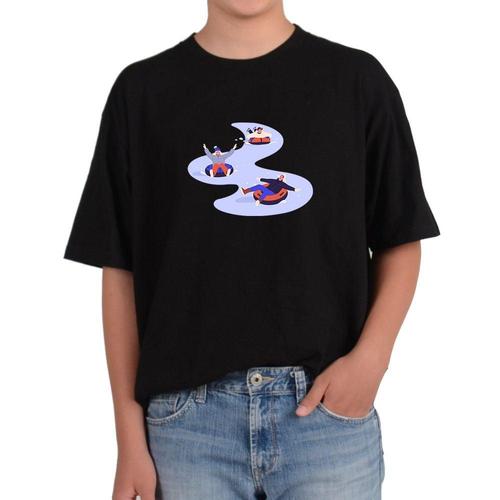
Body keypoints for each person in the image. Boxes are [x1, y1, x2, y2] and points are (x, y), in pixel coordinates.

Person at [63, 1, 440, 499]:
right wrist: (128, 435)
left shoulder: (356, 82)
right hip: (186, 429)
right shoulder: (142, 92)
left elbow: (400, 239)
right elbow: (120, 271)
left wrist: (371, 361)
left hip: (326, 418)